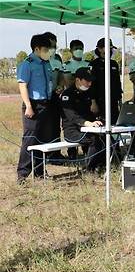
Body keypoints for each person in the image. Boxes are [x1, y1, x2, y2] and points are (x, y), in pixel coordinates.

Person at [16, 34, 54, 182]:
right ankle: (22, 174)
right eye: (45, 49)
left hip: (46, 103)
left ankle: (39, 172)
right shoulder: (27, 63)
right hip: (33, 105)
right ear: (36, 49)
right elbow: (22, 85)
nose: (48, 52)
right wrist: (29, 106)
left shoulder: (46, 63)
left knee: (43, 140)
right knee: (30, 139)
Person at [59, 68, 105, 171]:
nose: (89, 83)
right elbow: (71, 116)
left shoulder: (88, 93)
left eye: (91, 81)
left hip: (87, 128)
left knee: (106, 136)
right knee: (94, 139)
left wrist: (97, 121)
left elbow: (90, 113)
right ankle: (89, 168)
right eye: (87, 81)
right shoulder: (67, 95)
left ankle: (102, 164)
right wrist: (86, 123)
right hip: (72, 131)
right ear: (78, 80)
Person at [89, 37, 122, 124]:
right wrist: (93, 102)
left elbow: (117, 83)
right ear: (99, 49)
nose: (110, 50)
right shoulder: (94, 64)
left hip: (113, 101)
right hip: (99, 101)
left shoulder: (114, 63)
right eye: (107, 48)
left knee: (115, 124)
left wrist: (120, 100)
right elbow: (91, 84)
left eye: (110, 48)